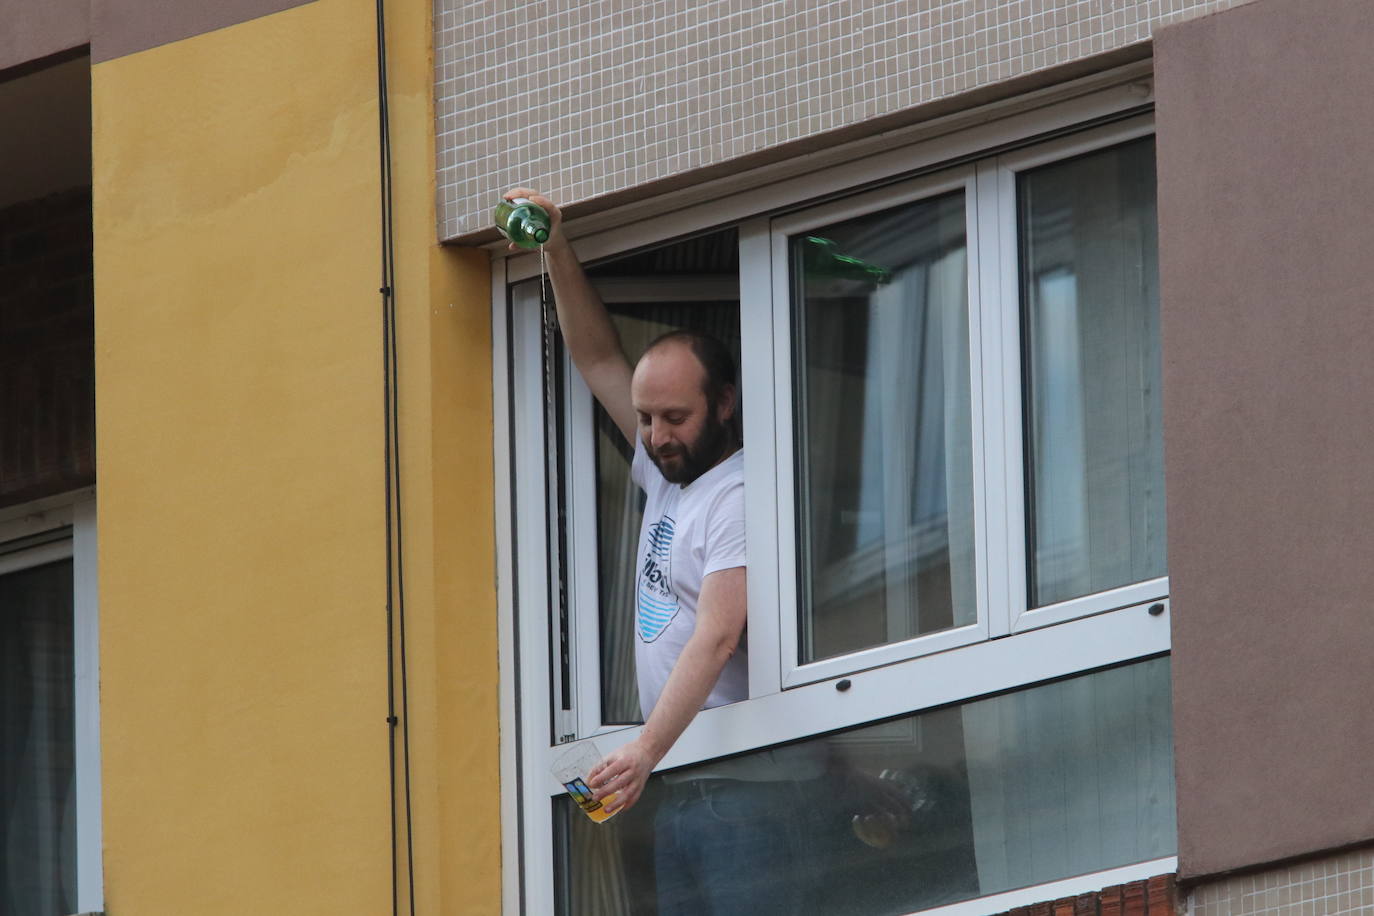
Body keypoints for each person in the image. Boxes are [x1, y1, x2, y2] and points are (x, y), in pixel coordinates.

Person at [506, 190, 824, 915]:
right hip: (694, 785)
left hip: (745, 794)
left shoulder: (737, 494)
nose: (655, 436)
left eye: (674, 417)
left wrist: (643, 751)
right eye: (646, 419)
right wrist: (556, 249)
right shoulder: (667, 474)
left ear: (725, 403)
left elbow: (719, 635)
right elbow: (594, 355)